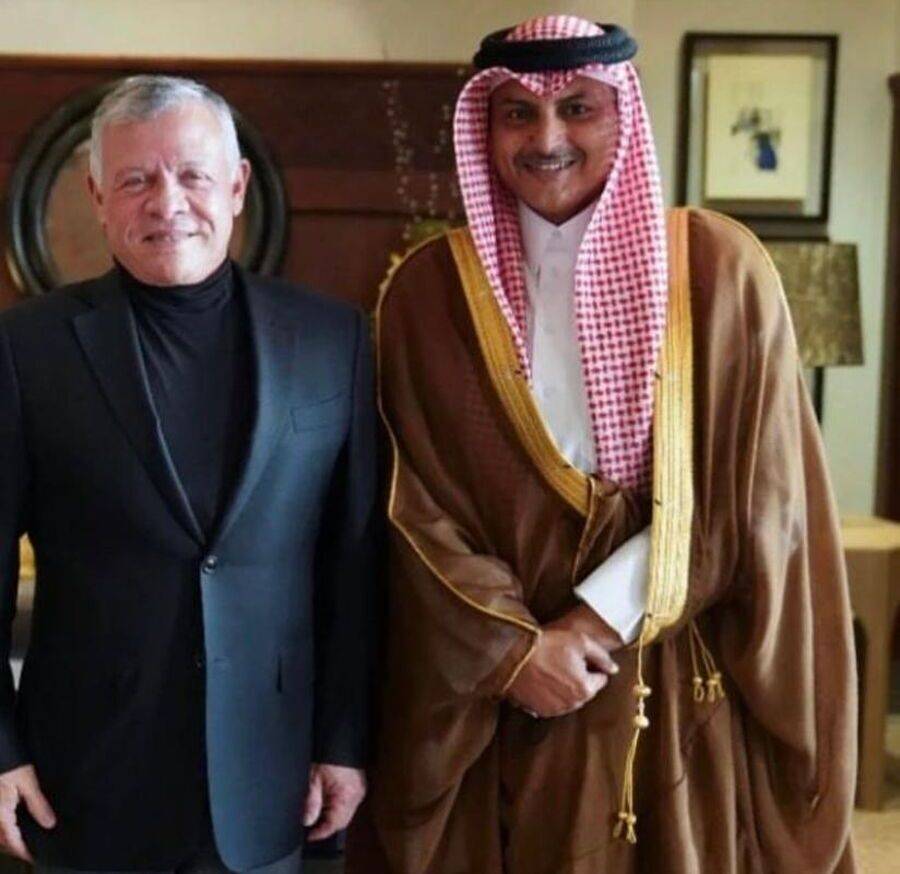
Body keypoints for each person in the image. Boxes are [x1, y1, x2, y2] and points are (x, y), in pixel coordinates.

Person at [347, 15, 856, 874]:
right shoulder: (426, 292)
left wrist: (597, 620)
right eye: (517, 114)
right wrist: (513, 650)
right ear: (485, 129)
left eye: (577, 108)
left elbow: (751, 495)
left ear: (623, 116)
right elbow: (408, 502)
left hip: (672, 677)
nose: (547, 138)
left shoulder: (720, 271)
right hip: (497, 691)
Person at [0, 75, 377, 873]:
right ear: (98, 197)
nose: (166, 203)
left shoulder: (332, 339)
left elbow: (353, 562)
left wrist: (343, 741)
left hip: (275, 778)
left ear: (236, 187)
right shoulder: (24, 348)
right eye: (135, 179)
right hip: (83, 778)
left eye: (192, 175)